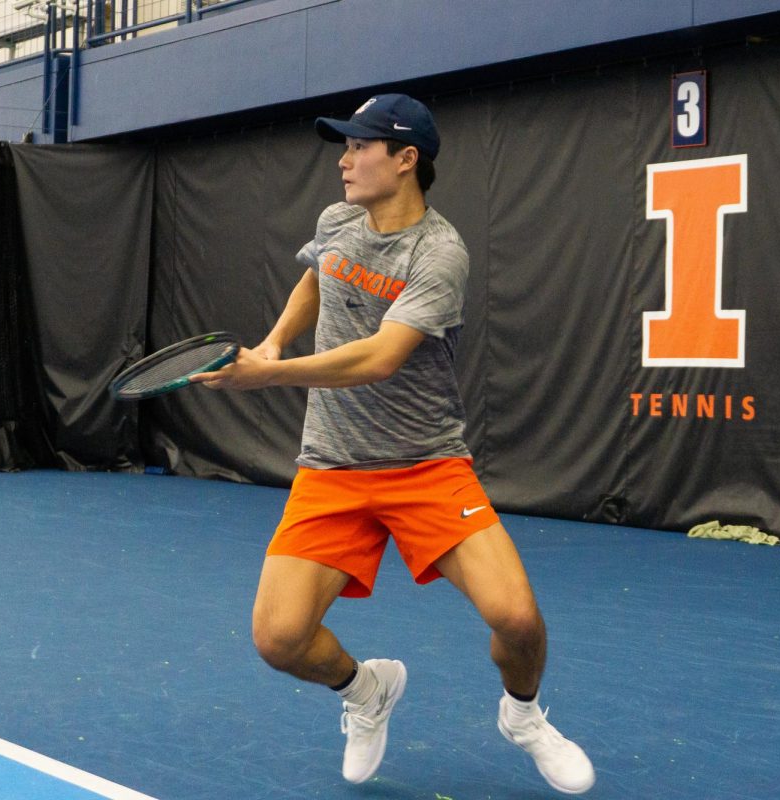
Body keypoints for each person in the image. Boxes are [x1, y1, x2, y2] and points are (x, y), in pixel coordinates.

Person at [191, 94, 596, 795]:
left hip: (426, 465)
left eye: (359, 147)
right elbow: (319, 274)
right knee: (278, 639)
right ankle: (364, 691)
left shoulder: (440, 254)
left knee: (518, 620)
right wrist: (275, 340)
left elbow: (381, 358)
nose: (344, 161)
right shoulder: (338, 220)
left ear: (406, 159)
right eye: (344, 147)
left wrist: (269, 375)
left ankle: (524, 717)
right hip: (332, 467)